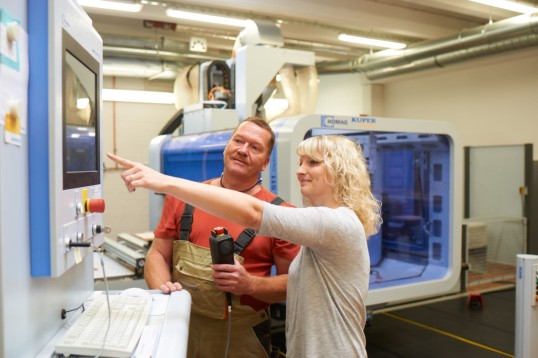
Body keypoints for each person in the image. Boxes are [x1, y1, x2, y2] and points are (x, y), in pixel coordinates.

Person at [108, 134, 382, 357]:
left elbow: (252, 213)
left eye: (313, 162)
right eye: (300, 162)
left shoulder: (336, 223)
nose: (300, 170)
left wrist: (164, 181)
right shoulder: (326, 225)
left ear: (339, 170)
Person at [143, 117, 300, 357]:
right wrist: (163, 290)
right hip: (180, 327)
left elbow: (294, 284)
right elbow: (157, 254)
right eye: (238, 141)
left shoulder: (280, 215)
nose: (243, 150)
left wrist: (250, 284)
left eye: (255, 147)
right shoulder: (183, 198)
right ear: (227, 146)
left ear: (266, 162)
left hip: (241, 337)